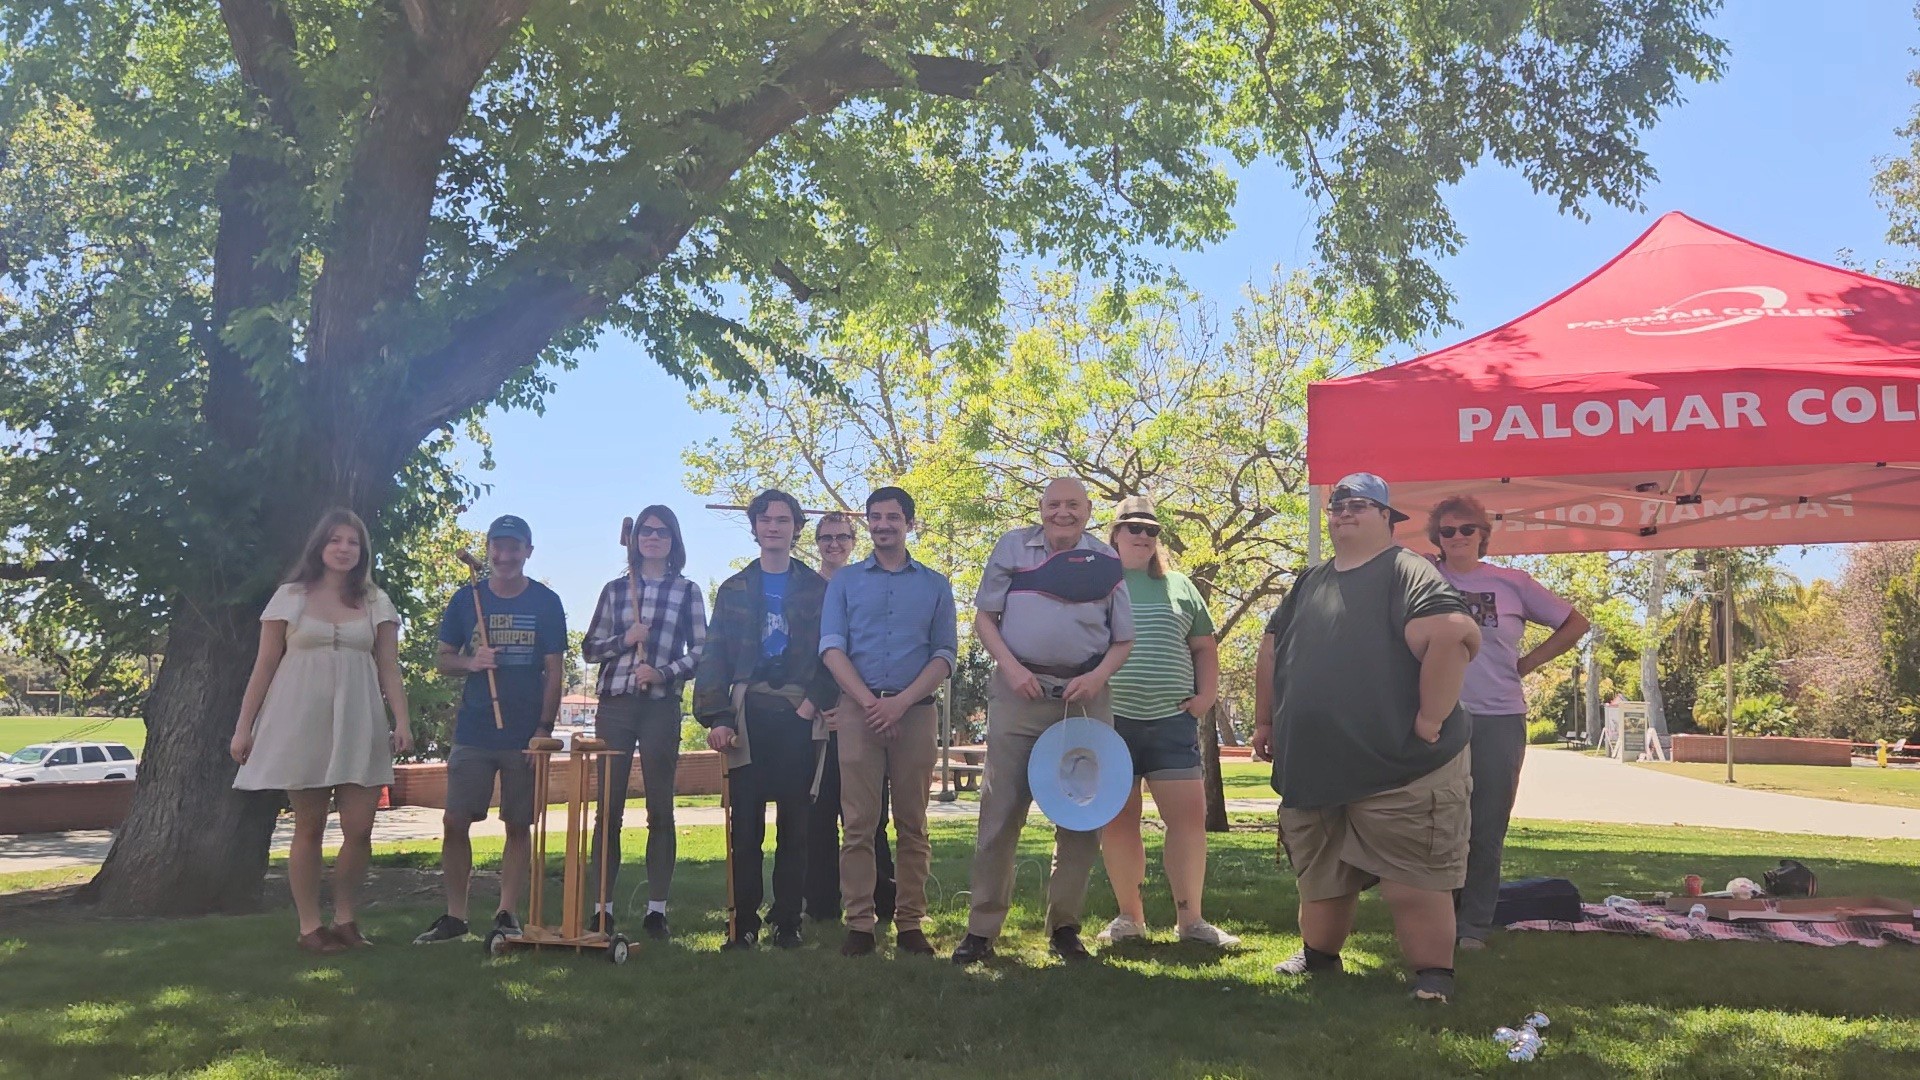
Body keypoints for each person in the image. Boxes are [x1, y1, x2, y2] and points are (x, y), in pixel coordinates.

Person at [1253, 473, 1481, 1003]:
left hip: (1399, 766)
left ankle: (1432, 977)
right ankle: (1318, 958)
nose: (1344, 512)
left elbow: (1452, 633)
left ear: (1388, 518)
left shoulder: (1406, 570)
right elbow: (1271, 646)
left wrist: (1429, 719)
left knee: (1413, 879)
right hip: (1316, 768)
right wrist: (1266, 721)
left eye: (1360, 505)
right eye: (1337, 505)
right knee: (1321, 876)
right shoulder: (1310, 581)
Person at [953, 477, 1134, 965]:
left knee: (1082, 817)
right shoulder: (1012, 547)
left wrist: (1096, 678)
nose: (1063, 513)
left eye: (1073, 505)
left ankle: (1065, 929)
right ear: (1041, 508)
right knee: (1000, 813)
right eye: (1054, 504)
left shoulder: (1107, 561)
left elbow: (1122, 640)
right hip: (1019, 696)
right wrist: (1013, 670)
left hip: (1084, 699)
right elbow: (985, 619)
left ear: (1089, 509)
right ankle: (981, 931)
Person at [232, 509, 414, 954]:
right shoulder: (290, 597)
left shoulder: (375, 601)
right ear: (319, 546)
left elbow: (388, 666)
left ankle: (347, 920)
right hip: (300, 721)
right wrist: (244, 728)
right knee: (309, 827)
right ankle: (310, 927)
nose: (344, 548)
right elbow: (264, 665)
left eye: (353, 542)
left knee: (359, 828)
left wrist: (402, 721)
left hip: (360, 721)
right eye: (335, 540)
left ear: (362, 550)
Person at [1426, 494, 1588, 950]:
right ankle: (1432, 916)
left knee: (1486, 824)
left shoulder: (1512, 582)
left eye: (1466, 529)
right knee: (1434, 821)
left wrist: (1528, 663)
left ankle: (1472, 925)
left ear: (1483, 534)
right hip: (1433, 717)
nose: (1456, 537)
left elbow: (1575, 624)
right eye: (1447, 531)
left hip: (1498, 716)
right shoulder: (1420, 577)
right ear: (1436, 538)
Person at [693, 489, 840, 950]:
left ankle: (787, 919)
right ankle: (744, 921)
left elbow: (833, 651)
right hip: (748, 716)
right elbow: (714, 654)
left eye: (783, 520)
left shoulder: (818, 590)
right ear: (755, 527)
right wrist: (717, 716)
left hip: (798, 713)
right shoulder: (735, 588)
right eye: (766, 519)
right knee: (746, 827)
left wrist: (813, 701)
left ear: (796, 528)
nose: (774, 527)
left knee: (797, 824)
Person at [414, 515, 568, 945]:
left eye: (514, 547)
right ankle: (456, 917)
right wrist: (472, 662)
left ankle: (507, 913)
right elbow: (444, 659)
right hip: (474, 730)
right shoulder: (467, 600)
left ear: (528, 552)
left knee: (519, 824)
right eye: (497, 547)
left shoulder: (546, 602)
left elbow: (554, 671)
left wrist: (544, 728)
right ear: (488, 550)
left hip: (524, 733)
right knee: (455, 819)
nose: (504, 555)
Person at [1095, 496, 1240, 949]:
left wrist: (1206, 698)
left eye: (1150, 529)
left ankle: (1192, 922)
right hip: (1111, 722)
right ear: (1114, 534)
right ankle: (1129, 919)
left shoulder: (1180, 585)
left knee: (1188, 823)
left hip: (1172, 723)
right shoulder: (1098, 585)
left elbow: (1204, 647)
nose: (1142, 534)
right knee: (1119, 822)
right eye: (1132, 526)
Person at [819, 487, 958, 957]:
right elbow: (831, 648)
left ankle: (910, 923)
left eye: (892, 517)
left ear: (909, 524)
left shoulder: (936, 585)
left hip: (915, 715)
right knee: (858, 823)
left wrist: (899, 704)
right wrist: (870, 703)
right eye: (875, 517)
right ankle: (859, 923)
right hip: (858, 714)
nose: (883, 525)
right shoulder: (845, 582)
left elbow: (944, 656)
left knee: (913, 824)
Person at [580, 504, 707, 940]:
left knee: (660, 807)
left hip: (660, 706)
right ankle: (602, 908)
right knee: (608, 810)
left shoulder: (687, 590)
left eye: (662, 532)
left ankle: (656, 910)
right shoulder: (616, 590)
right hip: (616, 704)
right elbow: (590, 649)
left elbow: (702, 651)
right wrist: (626, 640)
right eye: (646, 531)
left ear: (673, 541)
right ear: (635, 541)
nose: (652, 537)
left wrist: (663, 672)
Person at [804, 511, 898, 926]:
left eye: (842, 536)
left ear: (854, 540)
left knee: (870, 815)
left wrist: (856, 705)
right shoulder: (805, 591)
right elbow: (810, 655)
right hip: (816, 716)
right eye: (826, 537)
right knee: (819, 814)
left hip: (863, 713)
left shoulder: (866, 585)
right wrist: (820, 702)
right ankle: (821, 904)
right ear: (816, 541)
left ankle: (884, 901)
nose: (834, 544)